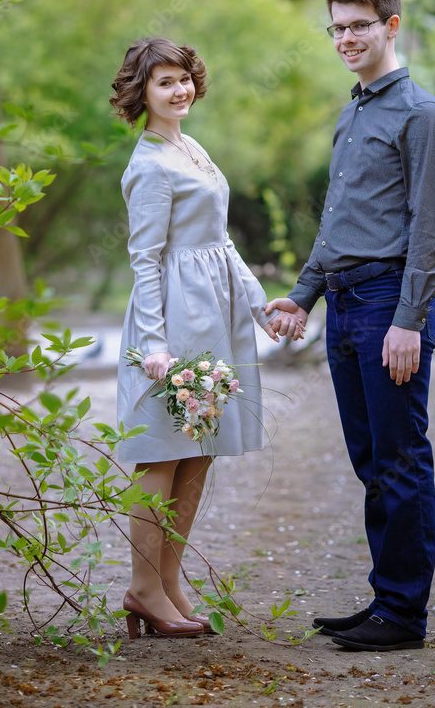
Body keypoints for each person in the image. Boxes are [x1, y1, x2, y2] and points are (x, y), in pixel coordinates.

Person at [266, 0, 435, 652]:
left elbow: (428, 233)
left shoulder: (420, 115)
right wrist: (304, 293)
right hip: (345, 305)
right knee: (371, 461)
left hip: (386, 305)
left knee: (400, 460)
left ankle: (403, 616)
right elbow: (338, 222)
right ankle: (386, 598)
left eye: (358, 26)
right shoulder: (355, 109)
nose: (345, 38)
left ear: (390, 26)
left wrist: (407, 319)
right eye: (336, 27)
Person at [110, 37, 302, 640]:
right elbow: (144, 261)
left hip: (212, 319)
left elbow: (221, 244)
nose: (180, 89)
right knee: (161, 451)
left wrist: (258, 306)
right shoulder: (148, 165)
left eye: (184, 77)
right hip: (171, 322)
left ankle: (168, 581)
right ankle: (141, 586)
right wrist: (154, 345)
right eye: (164, 82)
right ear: (141, 93)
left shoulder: (190, 147)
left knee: (198, 449)